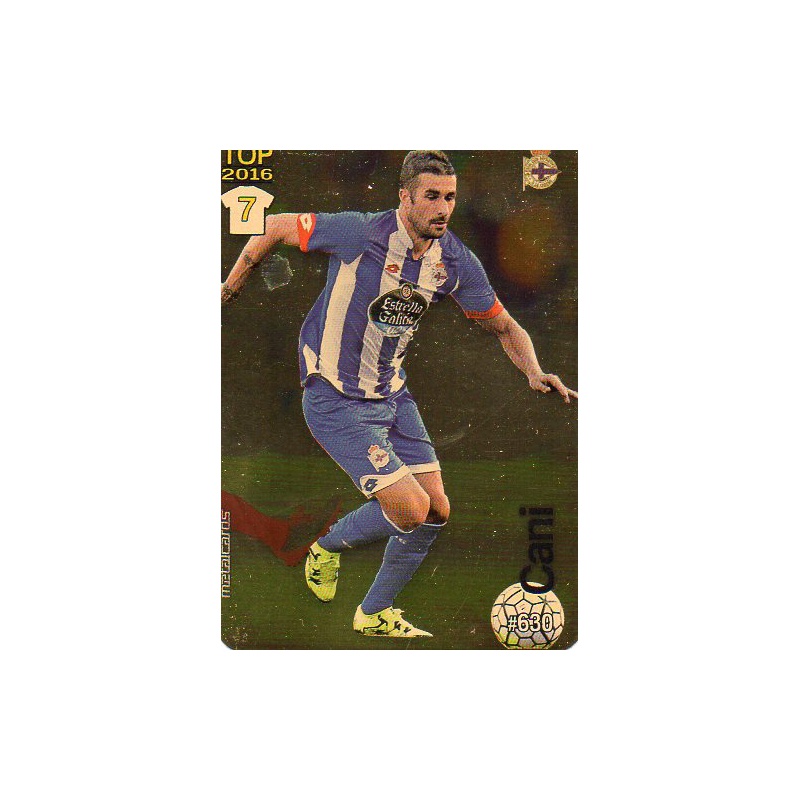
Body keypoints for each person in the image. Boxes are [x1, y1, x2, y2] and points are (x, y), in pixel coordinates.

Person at [221, 150, 577, 638]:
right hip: (334, 398)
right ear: (405, 197)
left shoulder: (453, 260)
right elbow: (277, 226)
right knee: (410, 509)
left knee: (437, 511)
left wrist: (535, 372)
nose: (443, 208)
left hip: (392, 397)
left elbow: (503, 326)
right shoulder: (361, 232)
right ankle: (324, 547)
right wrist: (229, 287)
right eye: (432, 196)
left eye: (450, 197)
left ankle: (373, 613)